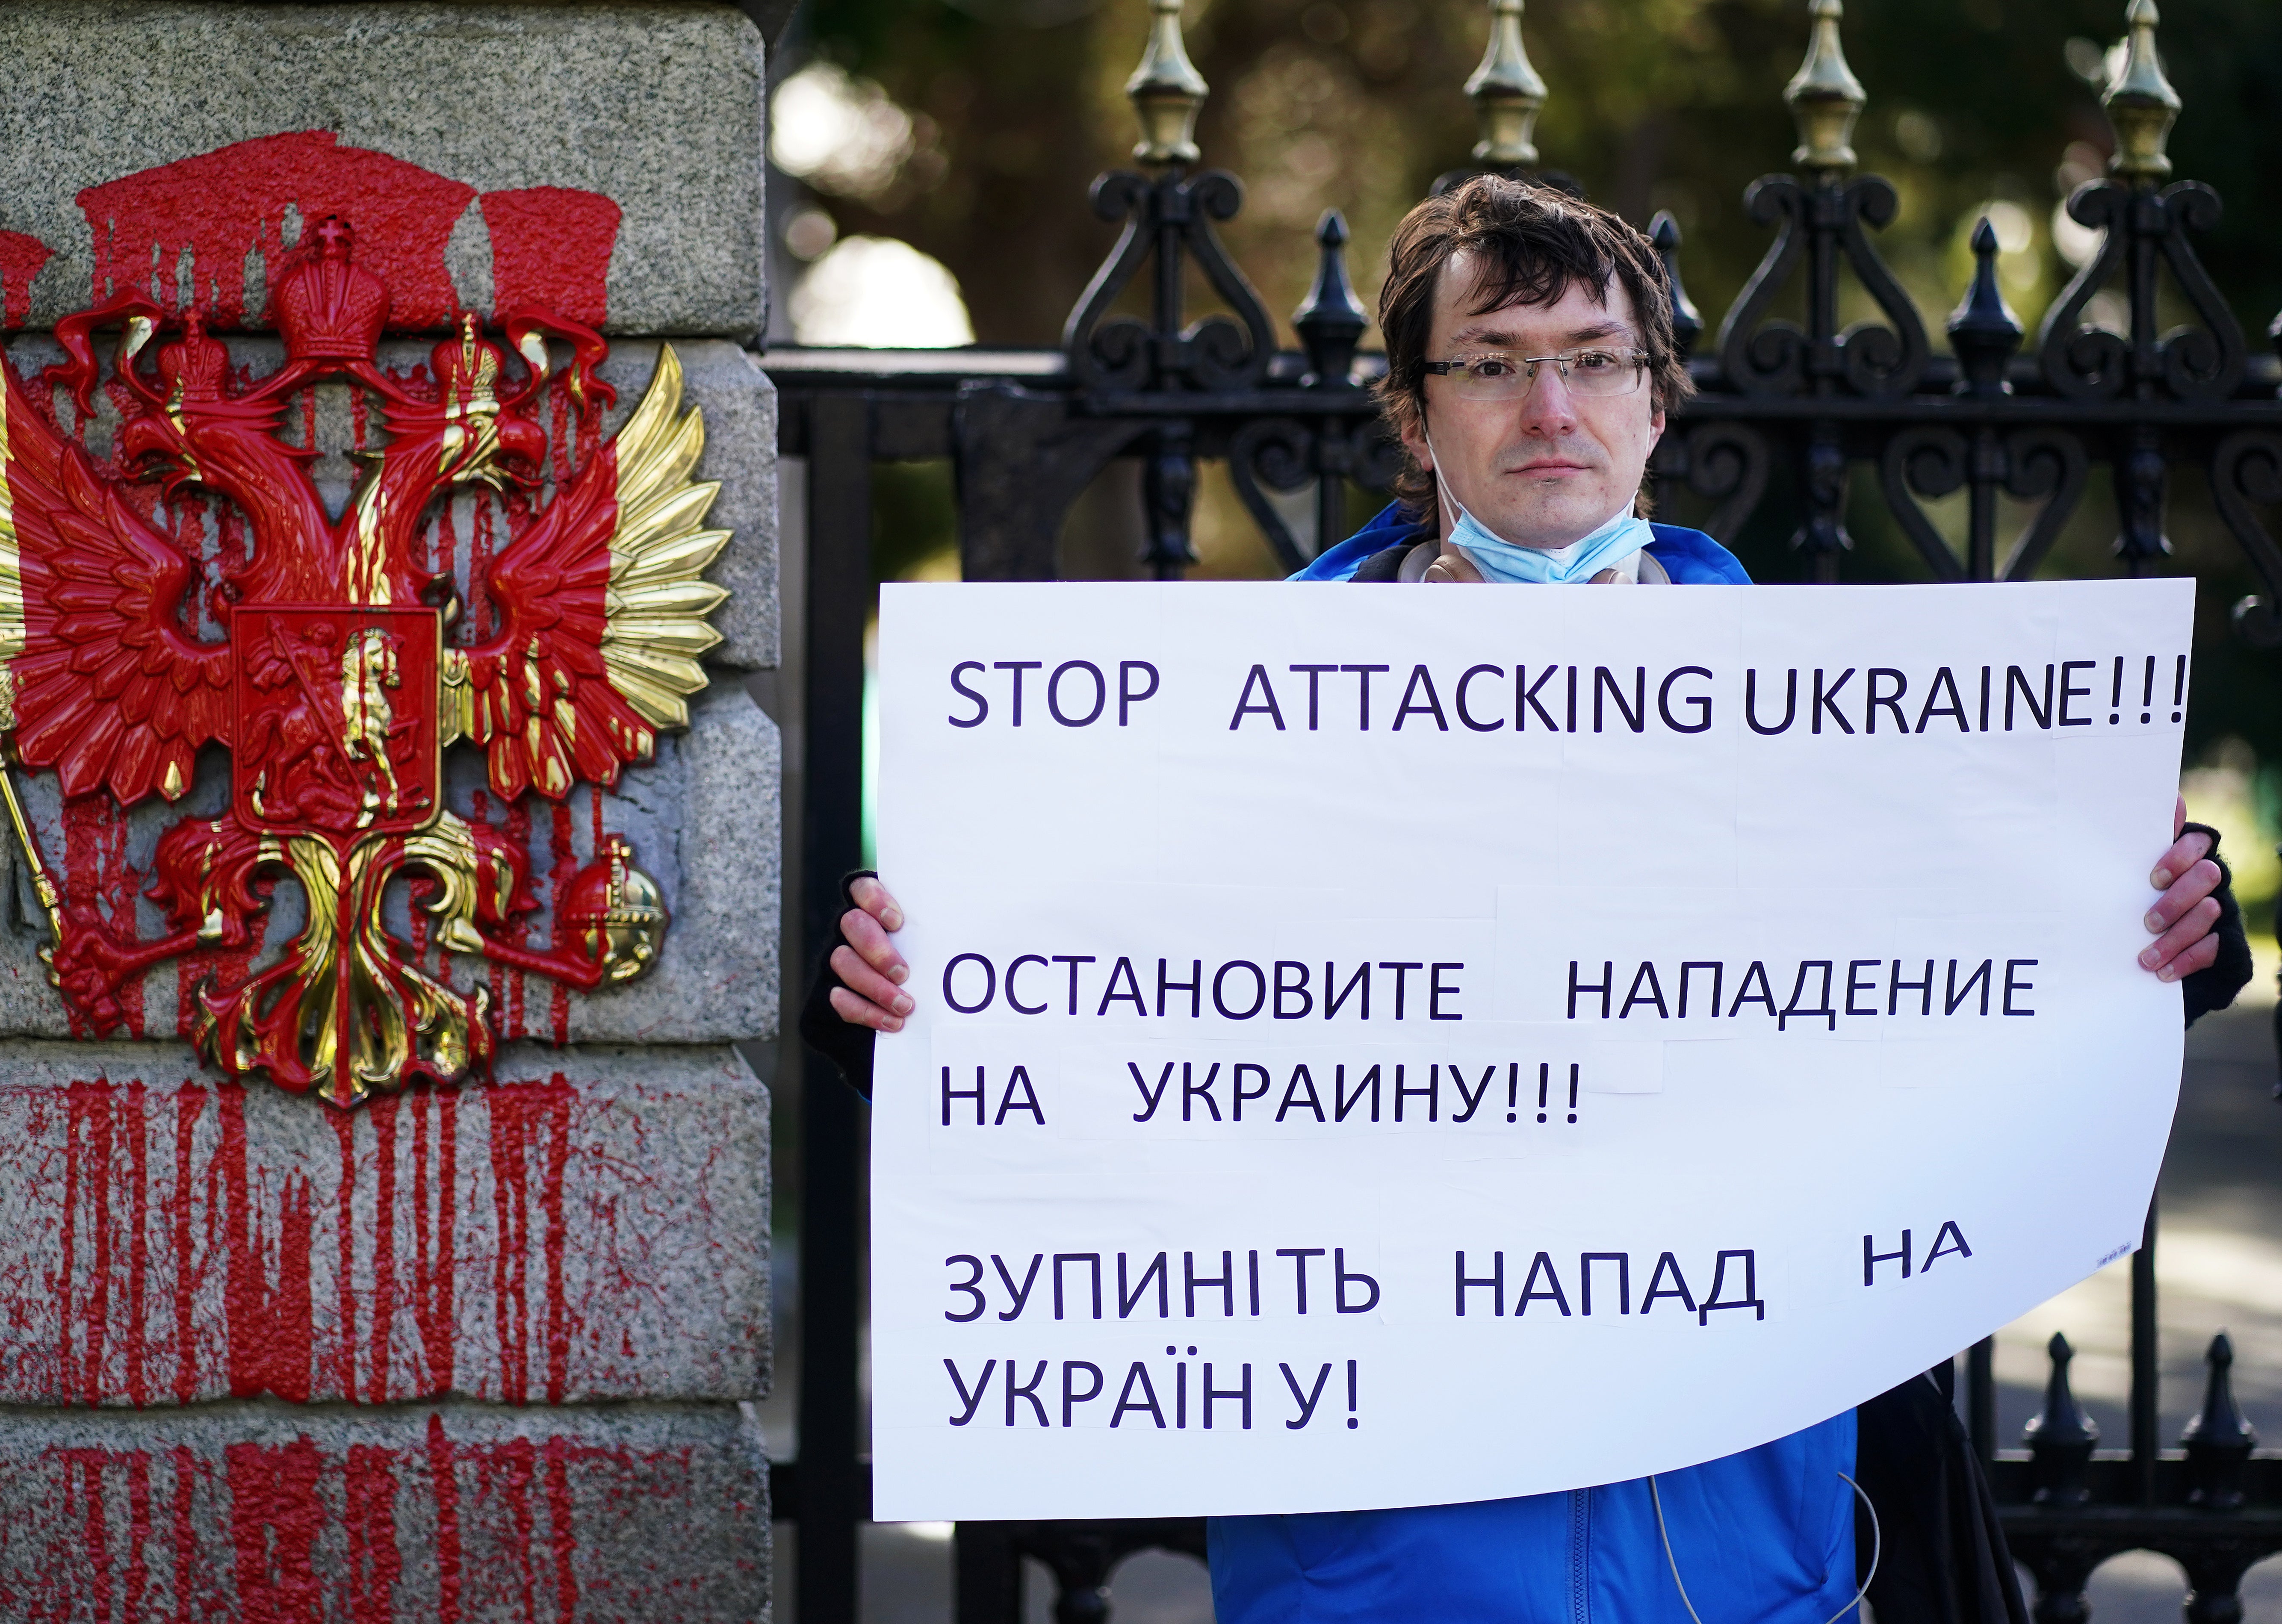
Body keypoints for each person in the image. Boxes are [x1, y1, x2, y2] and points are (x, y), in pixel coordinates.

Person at [803, 175, 2254, 1624]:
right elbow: (1081, 1054)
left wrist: (2156, 947)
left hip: (1734, 1553)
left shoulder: (1852, 742)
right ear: (1418, 413)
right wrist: (902, 1011)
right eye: (1494, 364)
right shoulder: (1213, 749)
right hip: (1382, 1568)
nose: (1549, 406)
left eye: (1594, 360)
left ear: (1655, 404)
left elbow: (1982, 1020)